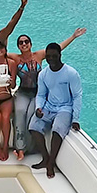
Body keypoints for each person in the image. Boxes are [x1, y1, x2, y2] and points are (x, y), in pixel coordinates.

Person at [9, 28, 87, 160]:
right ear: (18, 46)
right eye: (21, 42)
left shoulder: (38, 55)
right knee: (20, 112)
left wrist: (73, 37)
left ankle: (30, 147)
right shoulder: (15, 58)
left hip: (37, 93)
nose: (24, 44)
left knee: (30, 115)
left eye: (26, 41)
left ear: (30, 43)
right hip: (22, 92)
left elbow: (57, 49)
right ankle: (20, 147)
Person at [29, 43, 82, 178]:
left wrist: (75, 119)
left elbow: (77, 96)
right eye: (48, 56)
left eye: (54, 56)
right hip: (49, 106)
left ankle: (51, 163)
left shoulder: (71, 73)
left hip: (65, 108)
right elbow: (40, 95)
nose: (51, 59)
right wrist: (38, 108)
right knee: (33, 127)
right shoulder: (43, 74)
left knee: (57, 129)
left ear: (60, 55)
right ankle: (45, 158)